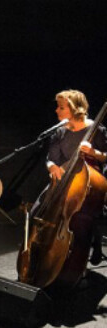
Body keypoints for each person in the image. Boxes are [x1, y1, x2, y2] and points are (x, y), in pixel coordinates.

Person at [34, 89, 107, 265]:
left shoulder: (96, 129)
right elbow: (52, 158)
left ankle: (83, 251)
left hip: (86, 184)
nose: (56, 111)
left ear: (75, 109)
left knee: (79, 218)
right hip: (64, 180)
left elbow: (106, 155)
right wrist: (52, 167)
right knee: (37, 210)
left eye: (61, 107)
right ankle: (41, 252)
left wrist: (93, 152)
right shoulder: (60, 131)